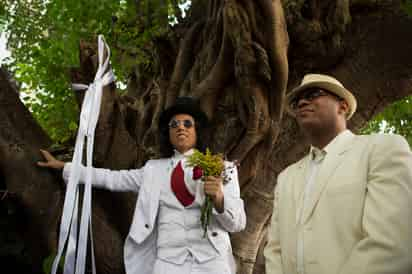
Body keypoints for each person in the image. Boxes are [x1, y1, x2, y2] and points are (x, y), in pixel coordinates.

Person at [38, 96, 246, 274]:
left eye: (187, 123)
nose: (180, 127)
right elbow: (111, 178)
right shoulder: (152, 170)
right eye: (174, 124)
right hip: (167, 263)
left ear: (197, 130)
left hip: (212, 261)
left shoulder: (223, 168)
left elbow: (237, 224)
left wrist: (219, 198)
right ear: (168, 134)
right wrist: (66, 168)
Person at [264, 73, 412, 274]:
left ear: (343, 107)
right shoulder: (286, 177)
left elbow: (392, 242)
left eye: (314, 93)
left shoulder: (382, 149)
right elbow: (274, 250)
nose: (303, 102)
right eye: (298, 100)